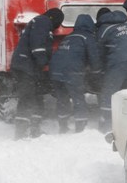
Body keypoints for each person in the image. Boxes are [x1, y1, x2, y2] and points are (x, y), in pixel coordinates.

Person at [10, 8, 64, 139]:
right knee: (27, 97)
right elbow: (38, 45)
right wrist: (43, 62)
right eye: (58, 22)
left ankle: (34, 129)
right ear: (54, 19)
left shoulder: (41, 23)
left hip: (30, 67)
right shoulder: (42, 21)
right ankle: (21, 132)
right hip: (25, 66)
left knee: (37, 97)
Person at [96, 8, 127, 133]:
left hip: (119, 62)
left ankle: (107, 123)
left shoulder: (104, 29)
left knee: (109, 92)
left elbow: (99, 51)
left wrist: (99, 69)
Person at [49, 14, 101, 133]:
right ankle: (80, 127)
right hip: (72, 71)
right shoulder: (87, 37)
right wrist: (97, 72)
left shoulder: (68, 37)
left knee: (62, 98)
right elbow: (94, 57)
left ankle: (63, 126)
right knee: (78, 98)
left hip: (55, 71)